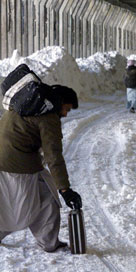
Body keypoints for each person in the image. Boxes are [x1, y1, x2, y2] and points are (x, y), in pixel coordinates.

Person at [0, 84, 82, 252]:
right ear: (60, 103)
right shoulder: (48, 117)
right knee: (31, 205)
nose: (65, 114)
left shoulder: (26, 103)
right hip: (18, 165)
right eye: (67, 109)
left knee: (29, 200)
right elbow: (54, 157)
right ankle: (49, 243)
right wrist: (65, 190)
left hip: (5, 160)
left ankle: (48, 241)